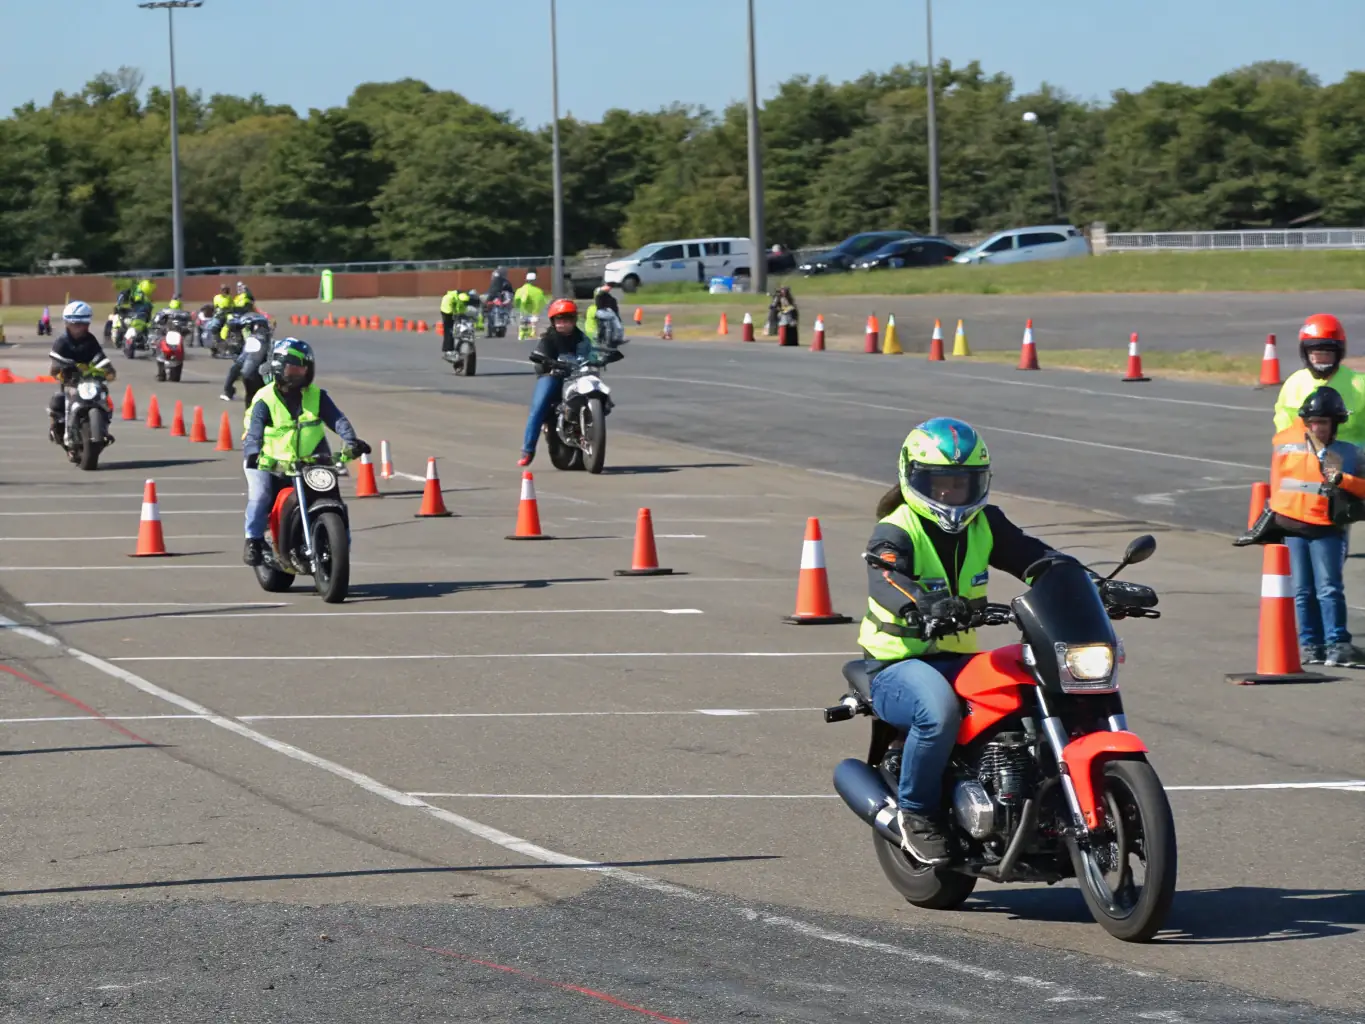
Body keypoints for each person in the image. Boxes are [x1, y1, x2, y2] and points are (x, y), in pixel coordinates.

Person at [858, 417, 1057, 865]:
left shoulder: (986, 522)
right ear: (912, 477)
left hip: (960, 657)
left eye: (963, 484)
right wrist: (923, 605)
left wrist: (1092, 583)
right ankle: (917, 813)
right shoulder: (896, 528)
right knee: (938, 711)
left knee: (1037, 686)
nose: (952, 494)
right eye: (941, 483)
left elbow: (1035, 556)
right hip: (897, 663)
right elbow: (887, 578)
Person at [1241, 388, 1365, 667]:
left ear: (1336, 423)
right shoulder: (1290, 446)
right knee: (1303, 590)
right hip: (1295, 525)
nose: (1318, 427)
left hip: (1326, 529)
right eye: (1314, 422)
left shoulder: (1350, 453)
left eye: (1324, 422)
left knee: (1328, 588)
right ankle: (1310, 645)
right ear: (1306, 423)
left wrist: (1342, 479)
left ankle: (1337, 643)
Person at [240, 339, 368, 567]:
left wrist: (351, 441)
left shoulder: (316, 396)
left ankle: (339, 547)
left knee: (332, 497)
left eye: (304, 368)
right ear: (279, 367)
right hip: (269, 461)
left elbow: (337, 420)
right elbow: (255, 429)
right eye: (295, 368)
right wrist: (253, 452)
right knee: (261, 495)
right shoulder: (265, 398)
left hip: (311, 460)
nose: (301, 373)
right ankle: (254, 540)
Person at [518, 299, 592, 466]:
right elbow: (539, 356)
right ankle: (528, 450)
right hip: (553, 376)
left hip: (577, 376)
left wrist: (600, 357)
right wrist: (549, 364)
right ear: (553, 321)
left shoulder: (582, 338)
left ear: (574, 320)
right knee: (538, 407)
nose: (563, 324)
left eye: (567, 320)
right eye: (559, 320)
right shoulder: (548, 339)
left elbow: (590, 354)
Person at [1274, 314, 1365, 445]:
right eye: (1316, 355)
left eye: (1327, 354)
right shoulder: (1293, 385)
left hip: (1353, 461)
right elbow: (1283, 434)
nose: (1321, 361)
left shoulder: (1360, 385)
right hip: (1305, 460)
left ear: (1339, 353)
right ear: (1305, 353)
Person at [47, 300, 116, 445]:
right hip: (70, 381)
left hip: (88, 379)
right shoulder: (62, 342)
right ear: (67, 324)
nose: (79, 328)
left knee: (103, 394)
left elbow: (99, 357)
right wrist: (59, 370)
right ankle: (56, 427)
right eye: (74, 324)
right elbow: (55, 363)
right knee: (58, 400)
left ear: (87, 324)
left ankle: (103, 425)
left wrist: (108, 369)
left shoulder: (90, 340)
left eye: (82, 324)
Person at [439, 288, 478, 355]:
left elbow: (462, 310)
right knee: (449, 330)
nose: (465, 303)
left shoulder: (462, 297)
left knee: (456, 323)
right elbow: (452, 312)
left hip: (451, 307)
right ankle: (448, 349)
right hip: (446, 310)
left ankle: (453, 347)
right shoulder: (451, 299)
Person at [514, 272, 548, 340]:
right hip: (533, 311)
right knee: (534, 321)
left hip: (523, 311)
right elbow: (543, 302)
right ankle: (533, 333)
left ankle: (521, 335)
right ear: (535, 280)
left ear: (526, 280)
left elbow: (516, 301)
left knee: (523, 322)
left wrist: (520, 307)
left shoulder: (519, 290)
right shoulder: (538, 291)